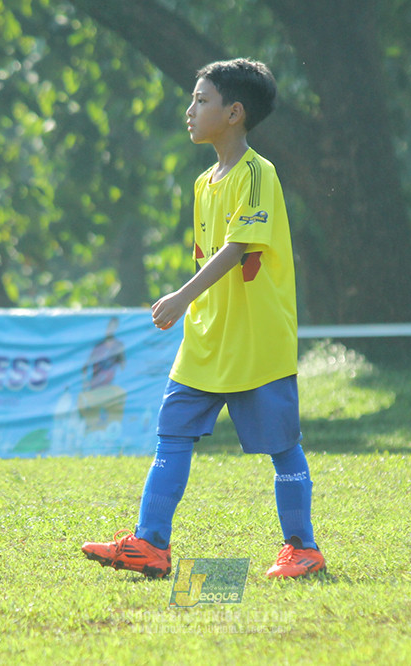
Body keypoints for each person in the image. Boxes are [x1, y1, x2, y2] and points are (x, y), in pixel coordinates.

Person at [81, 58, 324, 579]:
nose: (190, 110)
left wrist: (181, 296)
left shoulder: (258, 174)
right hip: (206, 340)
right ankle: (150, 545)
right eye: (193, 100)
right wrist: (195, 308)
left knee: (281, 446)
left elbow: (237, 249)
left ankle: (303, 547)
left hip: (256, 341)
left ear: (234, 112)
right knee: (172, 433)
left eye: (201, 100)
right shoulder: (203, 183)